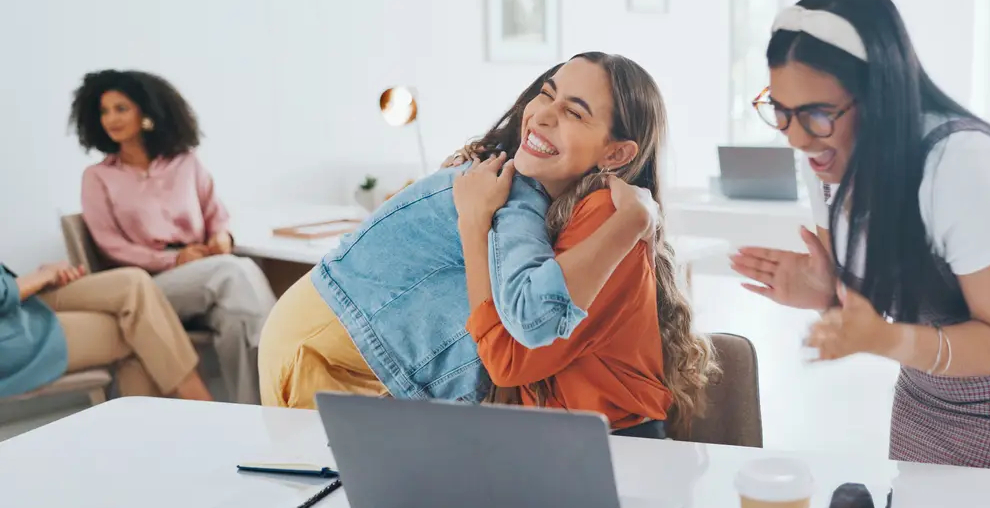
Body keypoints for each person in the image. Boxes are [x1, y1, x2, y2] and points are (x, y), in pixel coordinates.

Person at [731, 0, 990, 476]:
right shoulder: (827, 154)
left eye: (817, 114)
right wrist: (827, 292)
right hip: (929, 398)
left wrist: (886, 340)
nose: (797, 137)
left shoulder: (964, 166)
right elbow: (864, 293)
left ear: (880, 94)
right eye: (781, 111)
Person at [260, 53, 715, 435]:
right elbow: (520, 341)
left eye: (574, 112)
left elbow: (515, 348)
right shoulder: (511, 194)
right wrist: (476, 223)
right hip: (322, 348)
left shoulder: (588, 211)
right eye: (546, 93)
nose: (542, 114)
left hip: (336, 338)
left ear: (616, 153)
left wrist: (476, 224)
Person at [71, 69, 276, 404]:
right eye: (104, 111)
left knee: (237, 318)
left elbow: (216, 214)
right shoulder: (98, 177)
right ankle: (283, 354)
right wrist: (173, 259)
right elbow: (110, 245)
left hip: (207, 274)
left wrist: (222, 237)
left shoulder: (186, 163)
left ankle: (256, 414)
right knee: (235, 271)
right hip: (151, 289)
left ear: (147, 111)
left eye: (121, 108)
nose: (111, 119)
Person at [1, 261, 212, 401]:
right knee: (136, 331)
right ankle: (201, 408)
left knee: (133, 283)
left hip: (17, 304)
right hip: (9, 334)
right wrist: (44, 275)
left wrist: (44, 277)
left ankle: (195, 409)